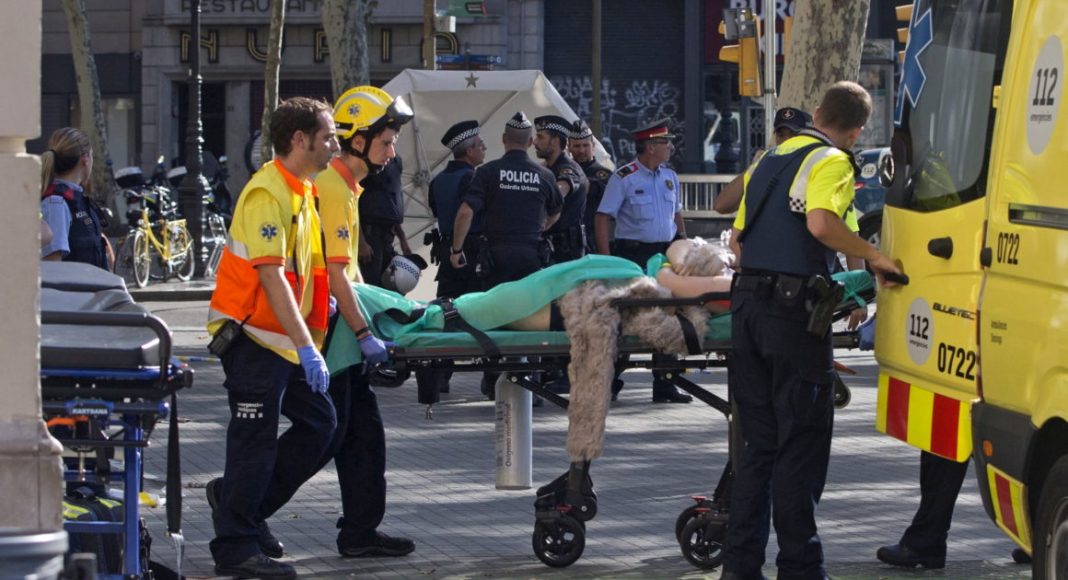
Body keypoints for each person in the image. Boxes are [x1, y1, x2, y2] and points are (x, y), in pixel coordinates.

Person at [721, 81, 903, 580]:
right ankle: (801, 568)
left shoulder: (769, 159)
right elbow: (821, 224)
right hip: (792, 318)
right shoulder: (832, 161)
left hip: (746, 309)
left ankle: (739, 567)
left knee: (758, 447)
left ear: (817, 111)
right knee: (800, 445)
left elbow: (736, 239)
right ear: (858, 131)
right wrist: (875, 257)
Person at [204, 96, 339, 579]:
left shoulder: (301, 189)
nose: (335, 145)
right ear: (300, 140)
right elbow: (271, 275)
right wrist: (305, 345)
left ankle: (240, 506)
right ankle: (235, 548)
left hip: (281, 340)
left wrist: (316, 322)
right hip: (253, 340)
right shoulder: (268, 192)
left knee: (321, 425)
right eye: (328, 137)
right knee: (253, 444)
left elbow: (303, 271)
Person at [313, 85, 416, 559]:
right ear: (358, 141)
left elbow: (350, 275)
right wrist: (362, 332)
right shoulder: (334, 188)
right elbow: (337, 276)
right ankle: (239, 505)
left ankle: (359, 531)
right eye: (386, 142)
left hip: (343, 333)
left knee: (363, 437)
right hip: (331, 336)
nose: (392, 152)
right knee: (323, 438)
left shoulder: (348, 188)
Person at [449, 111, 563, 399]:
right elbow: (556, 210)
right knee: (532, 316)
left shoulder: (487, 173)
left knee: (495, 315)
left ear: (503, 140)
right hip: (532, 256)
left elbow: (465, 212)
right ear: (529, 142)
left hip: (496, 256)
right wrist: (540, 227)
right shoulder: (545, 175)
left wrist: (456, 250)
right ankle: (532, 382)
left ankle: (493, 380)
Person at [594, 118, 691, 404]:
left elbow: (677, 214)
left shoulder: (670, 176)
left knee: (669, 315)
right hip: (633, 255)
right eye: (665, 142)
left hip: (664, 255)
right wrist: (606, 260)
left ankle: (666, 383)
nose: (670, 147)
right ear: (650, 147)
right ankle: (609, 382)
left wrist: (684, 244)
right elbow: (603, 217)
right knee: (627, 317)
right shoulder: (624, 177)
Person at [419, 120, 487, 398]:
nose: (484, 149)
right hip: (470, 251)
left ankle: (440, 375)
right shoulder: (472, 178)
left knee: (445, 313)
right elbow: (469, 212)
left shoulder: (437, 181)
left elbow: (437, 211)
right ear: (469, 151)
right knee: (481, 311)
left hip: (446, 251)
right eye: (480, 145)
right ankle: (490, 375)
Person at [40, 127, 111, 270]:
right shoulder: (56, 203)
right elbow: (52, 268)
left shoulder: (76, 198)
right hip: (74, 285)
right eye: (92, 155)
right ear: (85, 158)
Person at [535, 114, 589, 265]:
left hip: (565, 252)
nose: (535, 142)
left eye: (540, 137)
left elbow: (561, 190)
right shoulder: (545, 169)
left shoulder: (568, 168)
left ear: (555, 141)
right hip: (549, 247)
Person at [358, 153, 411, 288]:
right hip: (370, 235)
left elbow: (391, 202)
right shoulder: (365, 160)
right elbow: (352, 203)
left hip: (388, 235)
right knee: (372, 284)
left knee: (391, 284)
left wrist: (403, 239)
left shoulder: (395, 161)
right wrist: (361, 242)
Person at [569, 119, 613, 254]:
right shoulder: (561, 172)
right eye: (577, 146)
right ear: (568, 147)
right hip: (568, 241)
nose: (581, 150)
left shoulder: (605, 175)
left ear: (593, 146)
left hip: (594, 240)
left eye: (585, 145)